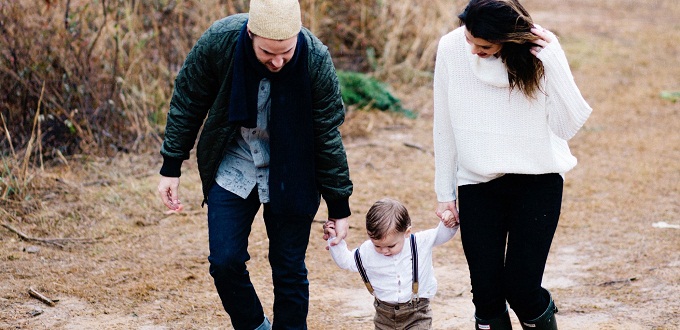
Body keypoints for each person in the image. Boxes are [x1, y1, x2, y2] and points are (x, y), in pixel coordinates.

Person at [156, 0, 353, 328]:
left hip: (293, 167)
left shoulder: (315, 59)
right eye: (267, 53)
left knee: (289, 268)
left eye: (286, 53)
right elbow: (188, 100)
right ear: (250, 34)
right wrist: (171, 166)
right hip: (235, 163)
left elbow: (326, 136)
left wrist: (339, 206)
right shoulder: (220, 42)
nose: (277, 61)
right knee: (224, 261)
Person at [432, 0, 592, 329]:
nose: (474, 49)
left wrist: (556, 61)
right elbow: (443, 123)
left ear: (508, 38)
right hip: (477, 183)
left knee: (521, 289)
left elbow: (568, 126)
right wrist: (443, 191)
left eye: (485, 45)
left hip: (538, 182)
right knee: (486, 296)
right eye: (470, 39)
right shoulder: (450, 47)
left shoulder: (539, 56)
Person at [325, 198, 459, 330]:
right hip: (384, 317)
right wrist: (334, 240)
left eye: (391, 245)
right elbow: (345, 261)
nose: (384, 250)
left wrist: (449, 219)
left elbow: (443, 234)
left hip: (417, 314)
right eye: (377, 245)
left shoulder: (419, 243)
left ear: (406, 232)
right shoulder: (367, 251)